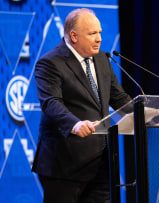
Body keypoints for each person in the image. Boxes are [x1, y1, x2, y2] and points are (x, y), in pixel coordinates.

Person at [32, 8, 132, 203]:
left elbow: (118, 97)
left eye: (100, 33)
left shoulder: (102, 59)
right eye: (92, 33)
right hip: (64, 165)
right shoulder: (50, 63)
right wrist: (75, 124)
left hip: (100, 164)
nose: (99, 39)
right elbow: (51, 103)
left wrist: (147, 117)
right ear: (74, 36)